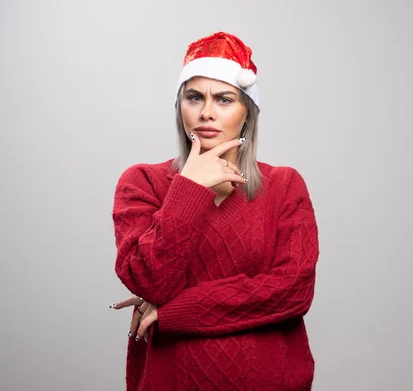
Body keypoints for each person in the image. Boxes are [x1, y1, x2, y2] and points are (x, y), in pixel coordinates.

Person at [109, 31, 319, 390]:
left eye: (224, 99)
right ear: (180, 108)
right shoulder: (142, 182)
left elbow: (292, 291)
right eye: (194, 97)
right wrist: (189, 188)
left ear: (247, 114)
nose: (206, 112)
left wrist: (176, 309)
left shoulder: (284, 186)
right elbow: (149, 280)